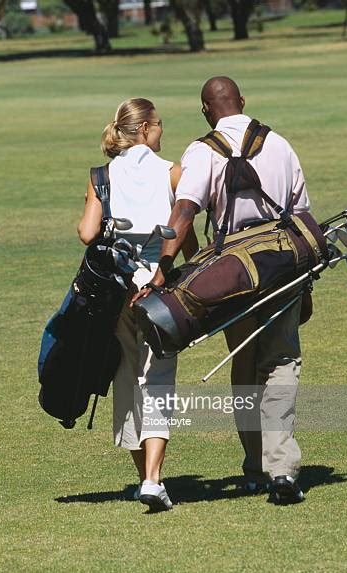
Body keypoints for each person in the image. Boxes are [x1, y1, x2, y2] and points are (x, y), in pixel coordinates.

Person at [132, 77, 309, 504]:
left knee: (245, 366)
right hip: (284, 265)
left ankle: (254, 468)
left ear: (206, 111)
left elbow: (185, 210)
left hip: (233, 273)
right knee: (281, 360)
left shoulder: (201, 150)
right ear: (243, 102)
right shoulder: (280, 143)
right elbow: (303, 214)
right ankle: (281, 468)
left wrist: (163, 268)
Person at [78, 97, 197, 511]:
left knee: (126, 379)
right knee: (158, 379)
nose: (163, 130)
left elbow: (87, 232)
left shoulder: (103, 175)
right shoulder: (173, 173)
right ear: (145, 128)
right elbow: (185, 236)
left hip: (117, 293)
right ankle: (152, 479)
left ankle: (144, 479)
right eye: (160, 124)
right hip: (160, 291)